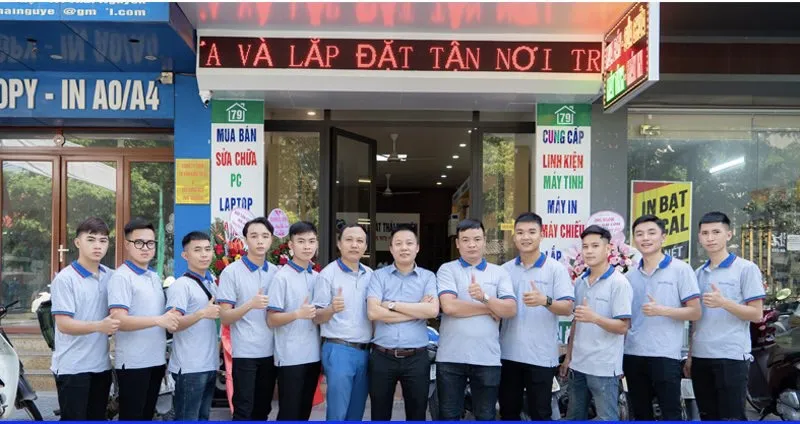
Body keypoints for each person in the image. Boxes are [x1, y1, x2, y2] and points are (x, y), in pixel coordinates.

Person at [436, 219, 517, 421]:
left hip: (487, 357)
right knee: (448, 415)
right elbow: (449, 307)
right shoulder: (447, 269)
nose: (471, 244)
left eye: (477, 239)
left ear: (484, 241)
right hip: (451, 357)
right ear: (457, 243)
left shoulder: (499, 272)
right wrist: (489, 308)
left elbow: (510, 309)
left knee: (486, 415)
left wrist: (485, 297)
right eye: (465, 240)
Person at [687, 211, 765, 421]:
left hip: (731, 356)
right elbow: (695, 320)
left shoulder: (746, 269)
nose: (710, 238)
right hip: (701, 356)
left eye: (716, 232)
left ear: (728, 235)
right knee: (707, 416)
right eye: (705, 233)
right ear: (699, 237)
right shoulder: (697, 273)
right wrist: (691, 356)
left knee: (732, 417)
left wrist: (724, 303)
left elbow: (756, 314)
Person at [624, 214, 702, 421]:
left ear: (663, 237)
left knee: (671, 413)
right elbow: (626, 320)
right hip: (633, 354)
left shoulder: (681, 270)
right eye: (639, 234)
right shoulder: (629, 276)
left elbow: (695, 312)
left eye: (651, 233)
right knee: (640, 414)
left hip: (666, 355)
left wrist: (662, 310)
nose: (645, 238)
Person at [499, 213, 575, 421]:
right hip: (508, 354)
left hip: (541, 357)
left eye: (532, 232)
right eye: (520, 233)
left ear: (542, 235)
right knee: (508, 412)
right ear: (514, 237)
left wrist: (545, 301)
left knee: (540, 413)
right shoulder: (504, 270)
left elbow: (568, 308)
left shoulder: (556, 270)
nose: (526, 237)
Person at [108, 218, 179, 421]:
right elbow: (119, 320)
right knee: (132, 416)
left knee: (147, 416)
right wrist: (158, 320)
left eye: (150, 243)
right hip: (133, 363)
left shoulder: (153, 277)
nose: (145, 248)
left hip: (155, 360)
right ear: (127, 245)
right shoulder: (122, 277)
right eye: (139, 242)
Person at [366, 225, 439, 421]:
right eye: (398, 244)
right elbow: (373, 312)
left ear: (417, 247)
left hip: (417, 357)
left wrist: (391, 305)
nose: (404, 248)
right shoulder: (378, 276)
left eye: (409, 243)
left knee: (417, 414)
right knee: (379, 415)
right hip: (382, 356)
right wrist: (416, 311)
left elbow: (432, 311)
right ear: (391, 249)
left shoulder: (428, 277)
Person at [50, 217, 119, 421]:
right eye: (91, 239)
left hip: (101, 366)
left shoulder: (111, 276)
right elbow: (64, 324)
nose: (97, 245)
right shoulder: (65, 279)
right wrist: (100, 326)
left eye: (103, 240)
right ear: (77, 242)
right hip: (73, 368)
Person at [562, 225, 632, 421]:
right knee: (574, 417)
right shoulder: (580, 282)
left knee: (607, 418)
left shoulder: (619, 283)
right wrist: (568, 357)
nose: (589, 251)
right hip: (578, 366)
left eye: (595, 246)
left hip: (604, 368)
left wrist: (595, 318)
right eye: (585, 247)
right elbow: (577, 321)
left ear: (608, 248)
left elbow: (623, 326)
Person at [216, 217, 278, 420]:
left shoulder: (277, 272)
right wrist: (250, 304)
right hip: (245, 353)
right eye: (254, 236)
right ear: (245, 240)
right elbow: (225, 317)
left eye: (265, 236)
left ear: (271, 240)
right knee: (243, 410)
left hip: (271, 351)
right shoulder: (231, 272)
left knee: (263, 410)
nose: (260, 241)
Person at [312, 224, 373, 420]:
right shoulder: (327, 274)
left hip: (366, 351)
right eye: (349, 240)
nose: (354, 245)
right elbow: (316, 317)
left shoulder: (371, 275)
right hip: (339, 349)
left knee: (356, 412)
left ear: (365, 246)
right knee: (338, 413)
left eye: (360, 241)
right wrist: (331, 309)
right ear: (339, 244)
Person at [268, 221, 322, 421]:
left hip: (313, 355)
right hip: (290, 357)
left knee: (304, 412)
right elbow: (271, 319)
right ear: (291, 245)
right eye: (301, 241)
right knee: (289, 413)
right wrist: (297, 314)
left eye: (311, 241)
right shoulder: (281, 277)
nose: (307, 246)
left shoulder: (317, 277)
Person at [166, 231, 221, 421]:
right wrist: (202, 313)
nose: (204, 254)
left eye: (207, 249)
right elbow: (172, 324)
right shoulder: (181, 285)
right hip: (189, 368)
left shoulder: (211, 282)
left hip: (209, 364)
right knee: (187, 418)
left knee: (203, 417)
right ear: (185, 255)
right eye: (197, 250)